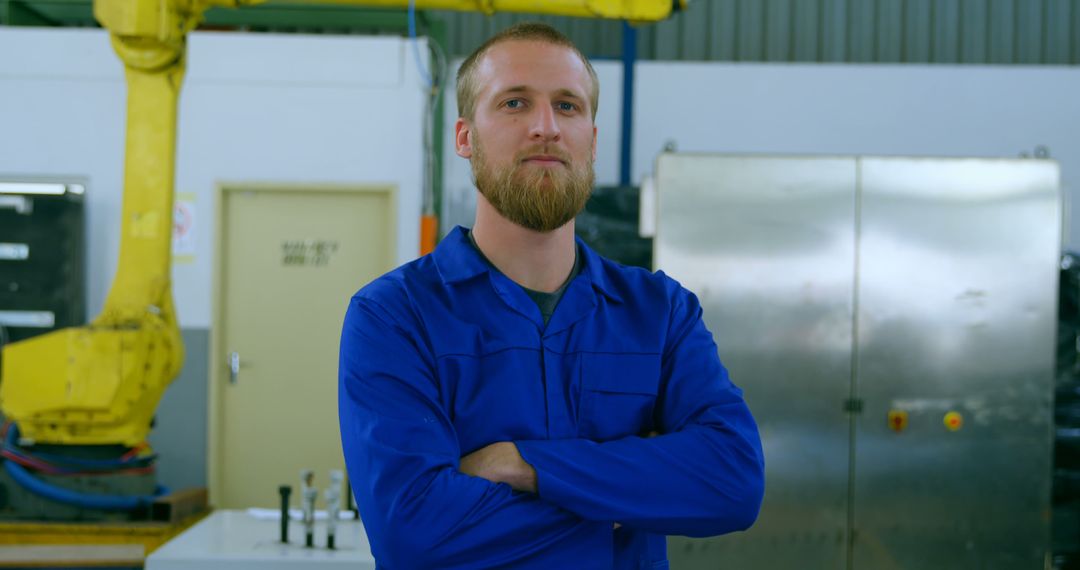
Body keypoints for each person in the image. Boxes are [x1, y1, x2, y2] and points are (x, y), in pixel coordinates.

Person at [338, 22, 764, 569]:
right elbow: (412, 533)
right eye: (515, 103)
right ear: (465, 137)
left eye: (567, 106)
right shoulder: (395, 317)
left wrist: (527, 465)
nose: (545, 127)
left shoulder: (659, 314)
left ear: (591, 135)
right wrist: (629, 502)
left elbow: (734, 479)